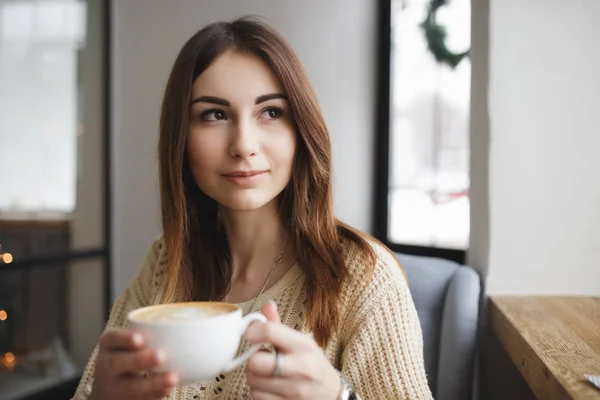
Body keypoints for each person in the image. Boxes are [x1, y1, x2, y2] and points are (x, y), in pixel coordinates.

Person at [73, 17, 432, 400]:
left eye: (271, 112)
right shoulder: (166, 262)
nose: (243, 144)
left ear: (301, 132)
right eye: (215, 114)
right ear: (181, 138)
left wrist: (338, 396)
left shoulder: (364, 278)